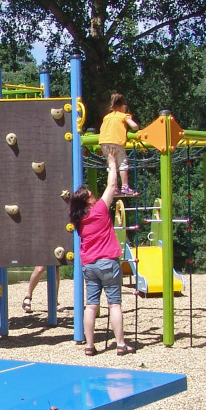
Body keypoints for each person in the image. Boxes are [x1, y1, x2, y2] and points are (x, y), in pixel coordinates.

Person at [69, 147, 133, 356]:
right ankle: (121, 344)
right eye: (91, 195)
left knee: (91, 305)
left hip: (89, 265)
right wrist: (112, 161)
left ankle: (89, 345)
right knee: (114, 304)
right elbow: (112, 184)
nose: (95, 196)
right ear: (88, 200)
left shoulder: (79, 220)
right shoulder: (99, 210)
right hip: (107, 262)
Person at [99, 93, 139, 196]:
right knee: (122, 164)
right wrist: (136, 128)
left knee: (112, 165)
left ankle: (114, 187)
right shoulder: (123, 115)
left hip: (104, 142)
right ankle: (125, 186)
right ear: (122, 106)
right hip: (117, 141)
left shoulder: (107, 117)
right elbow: (134, 126)